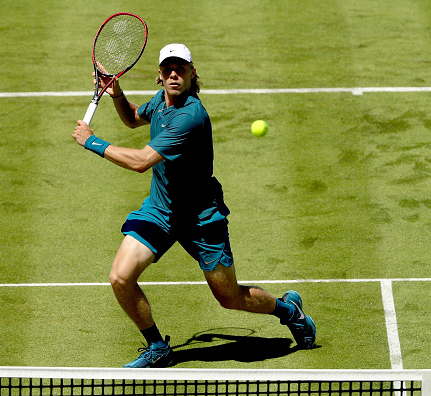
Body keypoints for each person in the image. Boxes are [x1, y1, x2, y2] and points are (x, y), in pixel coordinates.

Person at [72, 43, 316, 368]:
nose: (174, 74)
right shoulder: (160, 102)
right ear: (159, 76)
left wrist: (92, 141)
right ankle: (157, 346)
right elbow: (133, 118)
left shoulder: (190, 116)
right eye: (167, 69)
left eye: (181, 68)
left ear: (191, 73)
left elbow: (142, 161)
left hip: (201, 219)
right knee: (120, 277)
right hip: (162, 210)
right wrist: (116, 93)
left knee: (229, 298)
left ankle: (289, 310)